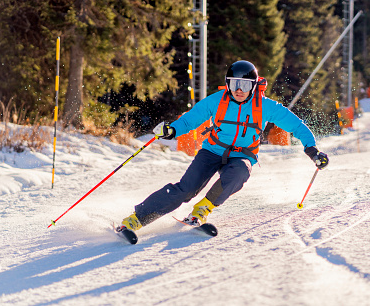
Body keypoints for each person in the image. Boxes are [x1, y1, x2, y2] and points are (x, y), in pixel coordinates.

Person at [120, 60, 329, 231]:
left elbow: (296, 125)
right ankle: (137, 219)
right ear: (228, 84)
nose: (239, 90)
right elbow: (189, 120)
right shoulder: (216, 101)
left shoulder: (266, 106)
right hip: (212, 151)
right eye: (234, 84)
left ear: (254, 86)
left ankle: (202, 210)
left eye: (245, 85)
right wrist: (171, 130)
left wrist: (312, 150)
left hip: (242, 155)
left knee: (239, 173)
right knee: (185, 190)